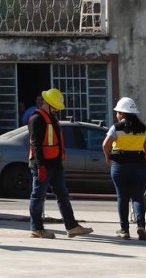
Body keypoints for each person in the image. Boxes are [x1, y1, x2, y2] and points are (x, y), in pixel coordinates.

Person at [27, 87, 93, 239]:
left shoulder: (52, 118)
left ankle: (72, 226)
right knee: (38, 196)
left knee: (63, 195)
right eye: (55, 107)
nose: (57, 110)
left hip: (55, 164)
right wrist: (40, 166)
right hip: (42, 165)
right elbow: (35, 144)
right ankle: (36, 228)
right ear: (47, 104)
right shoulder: (36, 118)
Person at [102, 96, 146, 240]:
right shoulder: (142, 128)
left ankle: (124, 230)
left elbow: (105, 144)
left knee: (122, 197)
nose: (116, 115)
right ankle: (141, 226)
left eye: (117, 112)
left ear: (123, 113)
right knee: (137, 197)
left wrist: (107, 157)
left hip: (120, 165)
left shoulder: (116, 128)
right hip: (139, 165)